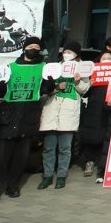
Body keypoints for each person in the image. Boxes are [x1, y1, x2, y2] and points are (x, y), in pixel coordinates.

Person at [0, 37, 52, 204]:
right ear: (24, 48)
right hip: (8, 116)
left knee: (20, 158)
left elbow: (45, 89)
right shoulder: (10, 67)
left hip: (28, 116)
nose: (33, 49)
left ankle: (13, 186)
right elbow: (0, 90)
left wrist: (51, 82)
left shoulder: (43, 68)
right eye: (30, 46)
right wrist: (0, 84)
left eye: (36, 47)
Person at [38, 41, 90, 190]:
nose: (68, 54)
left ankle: (61, 176)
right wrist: (55, 87)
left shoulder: (81, 70)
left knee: (65, 147)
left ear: (76, 55)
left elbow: (84, 89)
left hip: (69, 113)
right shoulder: (54, 67)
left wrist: (78, 81)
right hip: (52, 110)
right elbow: (45, 88)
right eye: (66, 51)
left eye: (71, 52)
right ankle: (47, 176)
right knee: (49, 147)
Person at [79, 50, 111, 179]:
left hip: (107, 109)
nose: (106, 60)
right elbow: (84, 93)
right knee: (90, 137)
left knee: (103, 137)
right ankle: (88, 162)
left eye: (109, 58)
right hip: (93, 109)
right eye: (104, 57)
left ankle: (101, 164)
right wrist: (91, 84)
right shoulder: (92, 74)